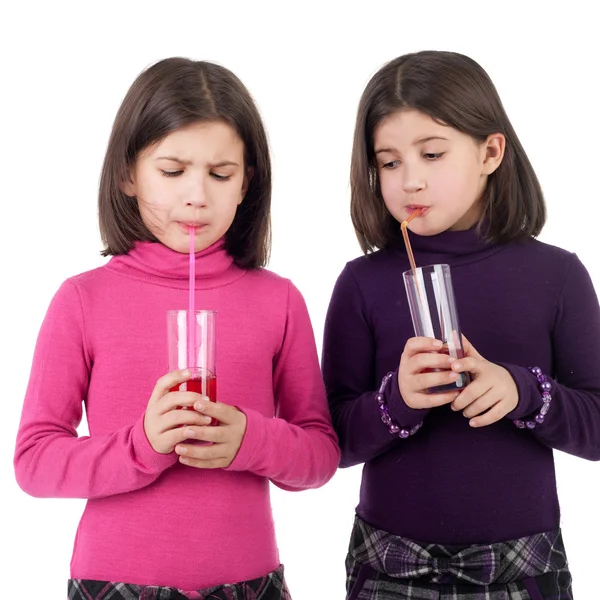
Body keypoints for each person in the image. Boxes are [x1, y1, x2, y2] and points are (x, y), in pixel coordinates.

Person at [14, 56, 340, 599]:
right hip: (113, 582)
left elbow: (320, 455)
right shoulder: (82, 300)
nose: (197, 195)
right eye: (172, 171)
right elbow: (34, 462)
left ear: (246, 184)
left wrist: (249, 438)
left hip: (248, 584)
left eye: (221, 174)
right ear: (127, 174)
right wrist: (141, 445)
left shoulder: (277, 299)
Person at [322, 50, 600, 599]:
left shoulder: (556, 275)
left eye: (431, 154)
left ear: (490, 152)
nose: (410, 181)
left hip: (523, 571)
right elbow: (330, 439)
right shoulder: (362, 283)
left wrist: (523, 392)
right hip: (389, 570)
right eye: (389, 162)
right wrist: (395, 401)